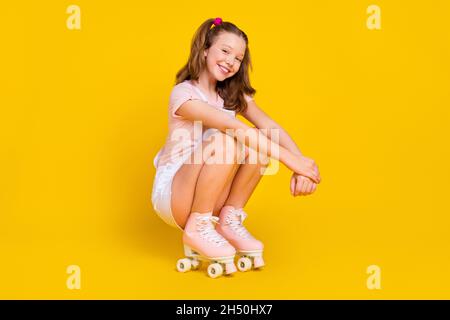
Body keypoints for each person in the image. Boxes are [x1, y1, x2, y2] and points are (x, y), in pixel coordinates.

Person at [151, 17, 321, 278]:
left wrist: (303, 166)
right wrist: (292, 162)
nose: (231, 61)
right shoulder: (184, 94)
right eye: (225, 51)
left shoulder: (233, 96)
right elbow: (236, 129)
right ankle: (198, 226)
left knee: (260, 144)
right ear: (205, 49)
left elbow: (269, 126)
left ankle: (228, 220)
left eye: (238, 58)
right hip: (174, 194)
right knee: (228, 137)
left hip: (211, 192)